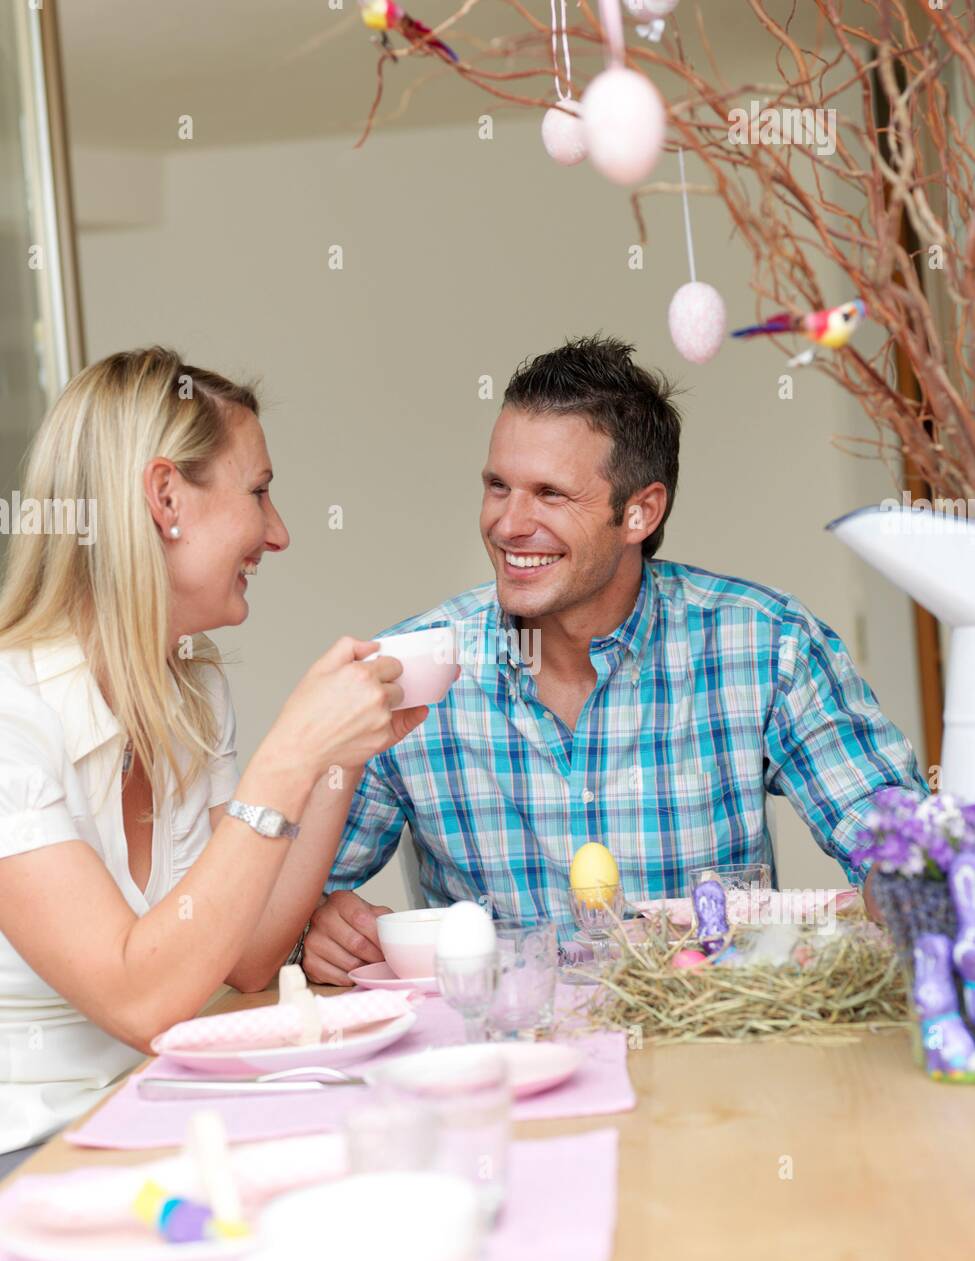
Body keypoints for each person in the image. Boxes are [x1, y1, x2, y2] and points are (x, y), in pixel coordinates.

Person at [302, 334, 926, 986]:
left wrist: (909, 891)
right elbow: (289, 910)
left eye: (549, 494)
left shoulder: (768, 646)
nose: (508, 524)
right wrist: (323, 930)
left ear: (639, 512)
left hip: (710, 1060)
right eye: (497, 486)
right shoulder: (410, 670)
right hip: (509, 1066)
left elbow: (902, 852)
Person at [0, 347, 427, 1166]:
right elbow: (142, 999)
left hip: (151, 1118)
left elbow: (245, 952)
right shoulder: (13, 717)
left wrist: (334, 758)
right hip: (30, 1155)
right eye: (259, 491)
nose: (278, 532)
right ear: (166, 498)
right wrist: (287, 754)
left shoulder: (190, 691)